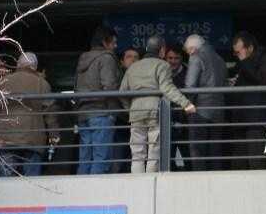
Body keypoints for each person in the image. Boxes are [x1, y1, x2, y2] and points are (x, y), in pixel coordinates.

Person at [119, 35, 196, 173]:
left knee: (137, 154)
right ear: (162, 50)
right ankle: (150, 181)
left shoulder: (133, 67)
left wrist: (130, 109)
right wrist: (186, 104)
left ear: (147, 48)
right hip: (155, 111)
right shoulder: (162, 65)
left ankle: (137, 182)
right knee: (154, 153)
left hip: (136, 113)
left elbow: (122, 92)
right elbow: (167, 88)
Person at [0, 52, 59, 176]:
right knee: (31, 181)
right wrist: (54, 136)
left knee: (7, 180)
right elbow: (50, 114)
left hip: (5, 137)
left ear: (18, 64)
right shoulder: (42, 83)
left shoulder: (2, 81)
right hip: (33, 140)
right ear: (35, 67)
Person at [73, 26, 121, 175]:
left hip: (83, 113)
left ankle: (82, 186)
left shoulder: (82, 58)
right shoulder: (106, 58)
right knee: (101, 157)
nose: (115, 46)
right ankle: (96, 187)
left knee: (85, 157)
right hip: (102, 111)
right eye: (113, 42)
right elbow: (110, 86)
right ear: (105, 42)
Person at [230, 31, 266, 170]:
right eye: (235, 53)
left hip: (256, 119)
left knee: (255, 160)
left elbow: (262, 80)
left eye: (239, 52)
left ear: (250, 48)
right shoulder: (242, 63)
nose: (237, 56)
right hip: (240, 118)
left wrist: (244, 61)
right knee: (239, 162)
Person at [183, 34, 228, 171]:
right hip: (219, 111)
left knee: (197, 150)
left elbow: (190, 85)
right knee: (215, 150)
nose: (189, 54)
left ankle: (199, 180)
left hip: (200, 111)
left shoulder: (196, 56)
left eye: (188, 51)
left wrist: (187, 105)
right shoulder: (220, 59)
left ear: (192, 48)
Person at [164, 43, 190, 170]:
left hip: (185, 123)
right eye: (170, 58)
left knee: (189, 159)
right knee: (167, 162)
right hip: (166, 123)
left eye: (176, 58)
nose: (173, 61)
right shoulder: (161, 72)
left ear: (181, 59)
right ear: (165, 58)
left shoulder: (189, 74)